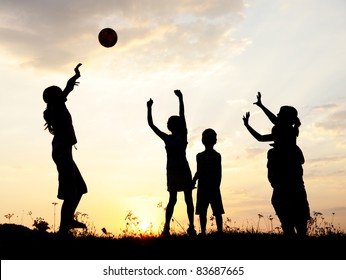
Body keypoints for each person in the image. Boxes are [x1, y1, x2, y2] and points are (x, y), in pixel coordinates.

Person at [242, 92, 310, 237]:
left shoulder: (288, 133)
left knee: (294, 220)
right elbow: (260, 137)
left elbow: (271, 126)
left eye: (280, 114)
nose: (277, 116)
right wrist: (250, 122)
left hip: (288, 186)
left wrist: (260, 107)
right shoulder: (285, 133)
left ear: (286, 119)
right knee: (292, 221)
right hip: (285, 186)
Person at [43, 63, 88, 235]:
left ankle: (67, 220)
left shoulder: (55, 107)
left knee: (80, 188)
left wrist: (75, 77)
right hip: (62, 152)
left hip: (63, 151)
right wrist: (75, 76)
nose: (60, 92)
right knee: (71, 191)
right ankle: (63, 229)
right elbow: (68, 88)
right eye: (57, 91)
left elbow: (66, 89)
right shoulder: (57, 106)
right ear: (54, 97)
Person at [146, 90, 196, 236]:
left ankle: (191, 227)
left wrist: (181, 98)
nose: (169, 124)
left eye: (171, 122)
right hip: (173, 172)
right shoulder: (166, 138)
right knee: (172, 199)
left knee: (188, 199)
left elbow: (182, 115)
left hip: (183, 170)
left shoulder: (183, 135)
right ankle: (166, 228)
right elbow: (151, 125)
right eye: (169, 123)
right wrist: (149, 108)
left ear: (177, 125)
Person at [192, 128, 224, 236]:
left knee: (217, 211)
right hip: (203, 187)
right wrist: (194, 180)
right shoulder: (199, 156)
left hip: (213, 187)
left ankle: (219, 231)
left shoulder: (216, 156)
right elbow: (199, 171)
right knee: (202, 212)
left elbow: (218, 173)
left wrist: (216, 185)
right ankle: (204, 232)